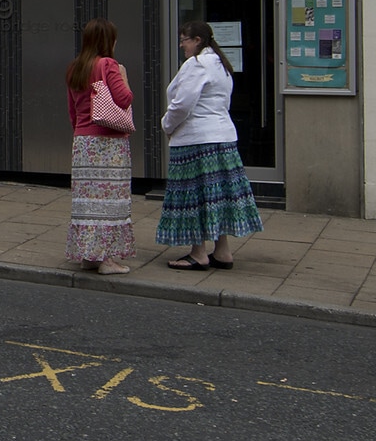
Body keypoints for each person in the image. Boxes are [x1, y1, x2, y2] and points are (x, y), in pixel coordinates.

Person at [156, 18, 264, 268]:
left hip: (197, 139)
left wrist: (167, 125)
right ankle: (223, 251)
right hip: (223, 138)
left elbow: (182, 104)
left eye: (184, 40)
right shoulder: (220, 64)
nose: (182, 46)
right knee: (217, 196)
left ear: (197, 40)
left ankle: (198, 253)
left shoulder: (197, 64)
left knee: (195, 195)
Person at [64, 17, 137, 274]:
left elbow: (73, 111)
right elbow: (124, 98)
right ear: (108, 41)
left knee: (88, 201)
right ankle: (107, 260)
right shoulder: (108, 64)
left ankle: (89, 256)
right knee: (110, 200)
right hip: (108, 143)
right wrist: (123, 75)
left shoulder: (75, 68)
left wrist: (81, 133)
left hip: (83, 143)